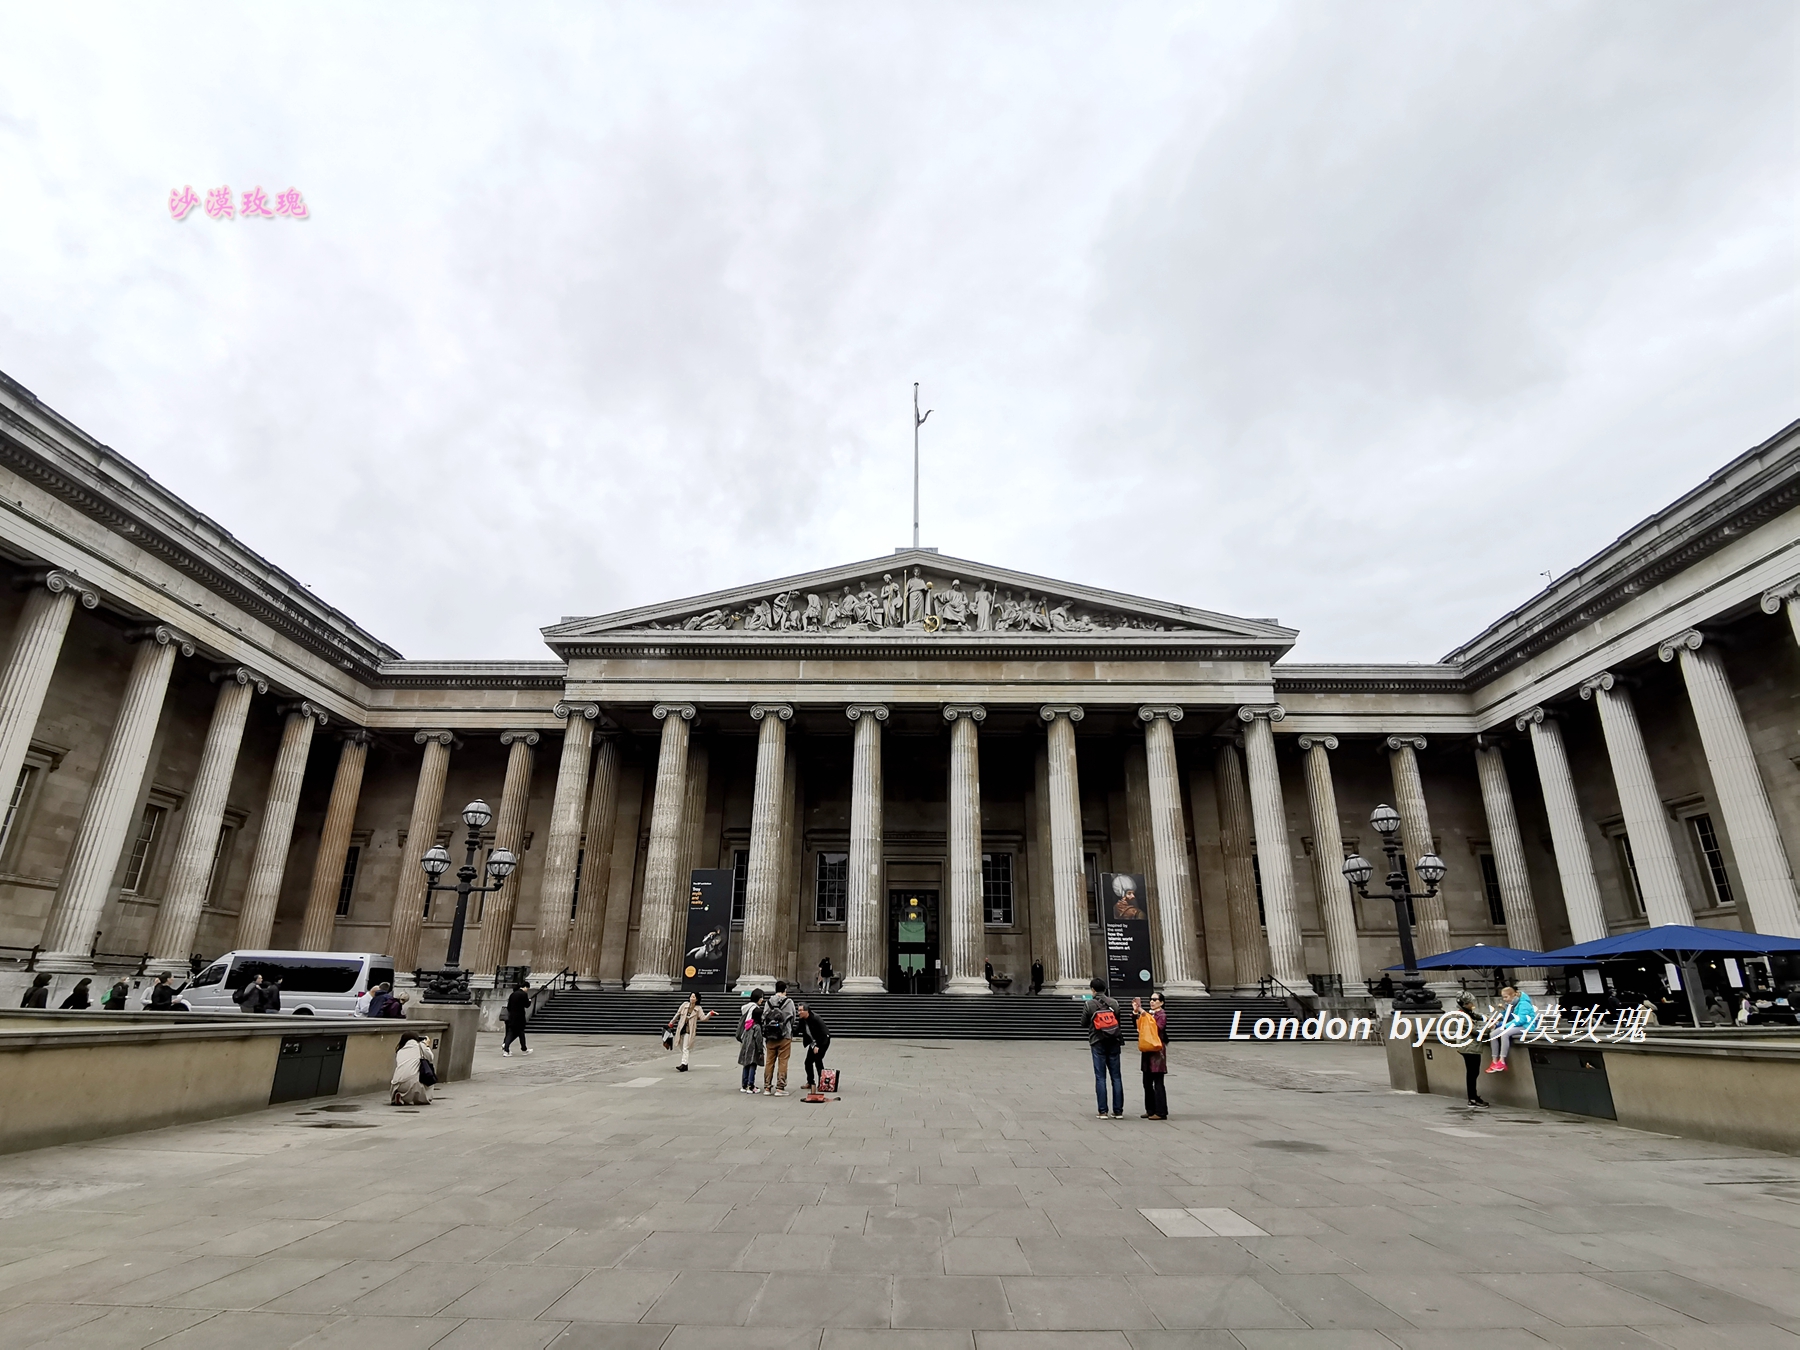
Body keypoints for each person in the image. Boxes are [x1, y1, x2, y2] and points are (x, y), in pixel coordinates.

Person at [1083, 977, 1125, 1119]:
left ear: (1093, 989)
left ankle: (1103, 1111)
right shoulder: (1114, 1003)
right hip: (1114, 1041)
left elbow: (1083, 1023)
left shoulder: (1089, 1004)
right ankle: (1118, 1111)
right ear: (1105, 989)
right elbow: (1118, 1020)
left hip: (1097, 1041)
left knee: (1100, 1077)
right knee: (1116, 1077)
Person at [1133, 991, 1169, 1119]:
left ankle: (1160, 1111)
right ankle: (1150, 1109)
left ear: (1161, 1002)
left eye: (1155, 999)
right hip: (1147, 1048)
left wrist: (1144, 1013)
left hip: (1157, 1051)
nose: (1152, 1002)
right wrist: (1136, 1013)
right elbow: (1139, 1027)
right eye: (1151, 999)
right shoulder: (1149, 1014)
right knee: (1147, 1082)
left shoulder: (1161, 1015)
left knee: (1158, 1082)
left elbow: (1156, 1028)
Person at [1485, 985, 1535, 1073]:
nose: (1504, 999)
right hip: (1516, 1025)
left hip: (1526, 1026)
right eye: (1503, 997)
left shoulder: (1524, 1004)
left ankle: (1502, 1061)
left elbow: (1521, 1020)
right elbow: (1508, 1018)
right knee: (1493, 1034)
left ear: (1513, 995)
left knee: (1505, 1033)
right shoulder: (1512, 1004)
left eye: (1506, 997)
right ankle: (1494, 1061)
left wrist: (1505, 1026)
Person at [762, 980, 797, 1096]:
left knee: (769, 1062)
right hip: (784, 1035)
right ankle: (780, 1088)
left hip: (770, 1036)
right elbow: (793, 1018)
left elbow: (764, 1017)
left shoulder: (769, 1002)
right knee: (783, 1062)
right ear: (785, 990)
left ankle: (767, 1087)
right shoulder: (789, 1002)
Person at [1455, 992, 1488, 1107]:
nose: (1473, 1004)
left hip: (1469, 1046)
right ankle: (1472, 1098)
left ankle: (1473, 1097)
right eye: (1470, 1003)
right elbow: (1474, 1030)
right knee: (1472, 1072)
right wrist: (1489, 1028)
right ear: (1464, 1004)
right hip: (1469, 1047)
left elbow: (1478, 1016)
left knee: (1473, 1072)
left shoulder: (1467, 1013)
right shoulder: (1462, 1016)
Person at [667, 992, 715, 1070]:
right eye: (691, 997)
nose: (692, 998)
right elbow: (678, 1014)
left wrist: (710, 1014)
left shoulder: (698, 1008)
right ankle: (685, 1063)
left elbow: (703, 1018)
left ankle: (684, 1064)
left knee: (686, 1047)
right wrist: (671, 1022)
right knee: (681, 1046)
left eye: (694, 997)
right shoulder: (684, 1005)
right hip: (681, 1028)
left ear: (697, 999)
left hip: (689, 1030)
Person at [391, 1032, 436, 1105]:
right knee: (427, 1082)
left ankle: (401, 1096)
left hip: (397, 1083)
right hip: (413, 1082)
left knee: (406, 1084)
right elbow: (430, 1058)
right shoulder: (421, 1046)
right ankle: (412, 1099)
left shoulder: (400, 1050)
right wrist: (426, 1045)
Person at [738, 990, 767, 1093]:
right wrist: (761, 1051)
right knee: (752, 1065)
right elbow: (758, 1039)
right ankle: (751, 1085)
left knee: (746, 1064)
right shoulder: (756, 1025)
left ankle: (744, 1085)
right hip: (753, 1046)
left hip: (745, 1042)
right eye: (761, 997)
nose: (762, 999)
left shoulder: (748, 1022)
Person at [798, 1003, 831, 1089]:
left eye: (801, 1010)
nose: (799, 1012)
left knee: (818, 1060)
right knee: (808, 1062)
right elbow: (797, 1030)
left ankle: (823, 1082)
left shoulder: (816, 1019)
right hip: (813, 1043)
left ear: (807, 1011)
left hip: (823, 1041)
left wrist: (818, 1046)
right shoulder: (802, 1020)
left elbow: (824, 1034)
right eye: (798, 1010)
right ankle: (810, 1082)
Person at [502, 981, 532, 1056]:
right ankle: (522, 1049)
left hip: (512, 1016)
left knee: (512, 1032)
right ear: (525, 987)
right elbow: (526, 1005)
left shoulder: (513, 994)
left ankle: (506, 1048)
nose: (527, 990)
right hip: (520, 1017)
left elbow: (509, 1006)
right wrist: (529, 1001)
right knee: (520, 1033)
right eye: (527, 988)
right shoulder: (523, 994)